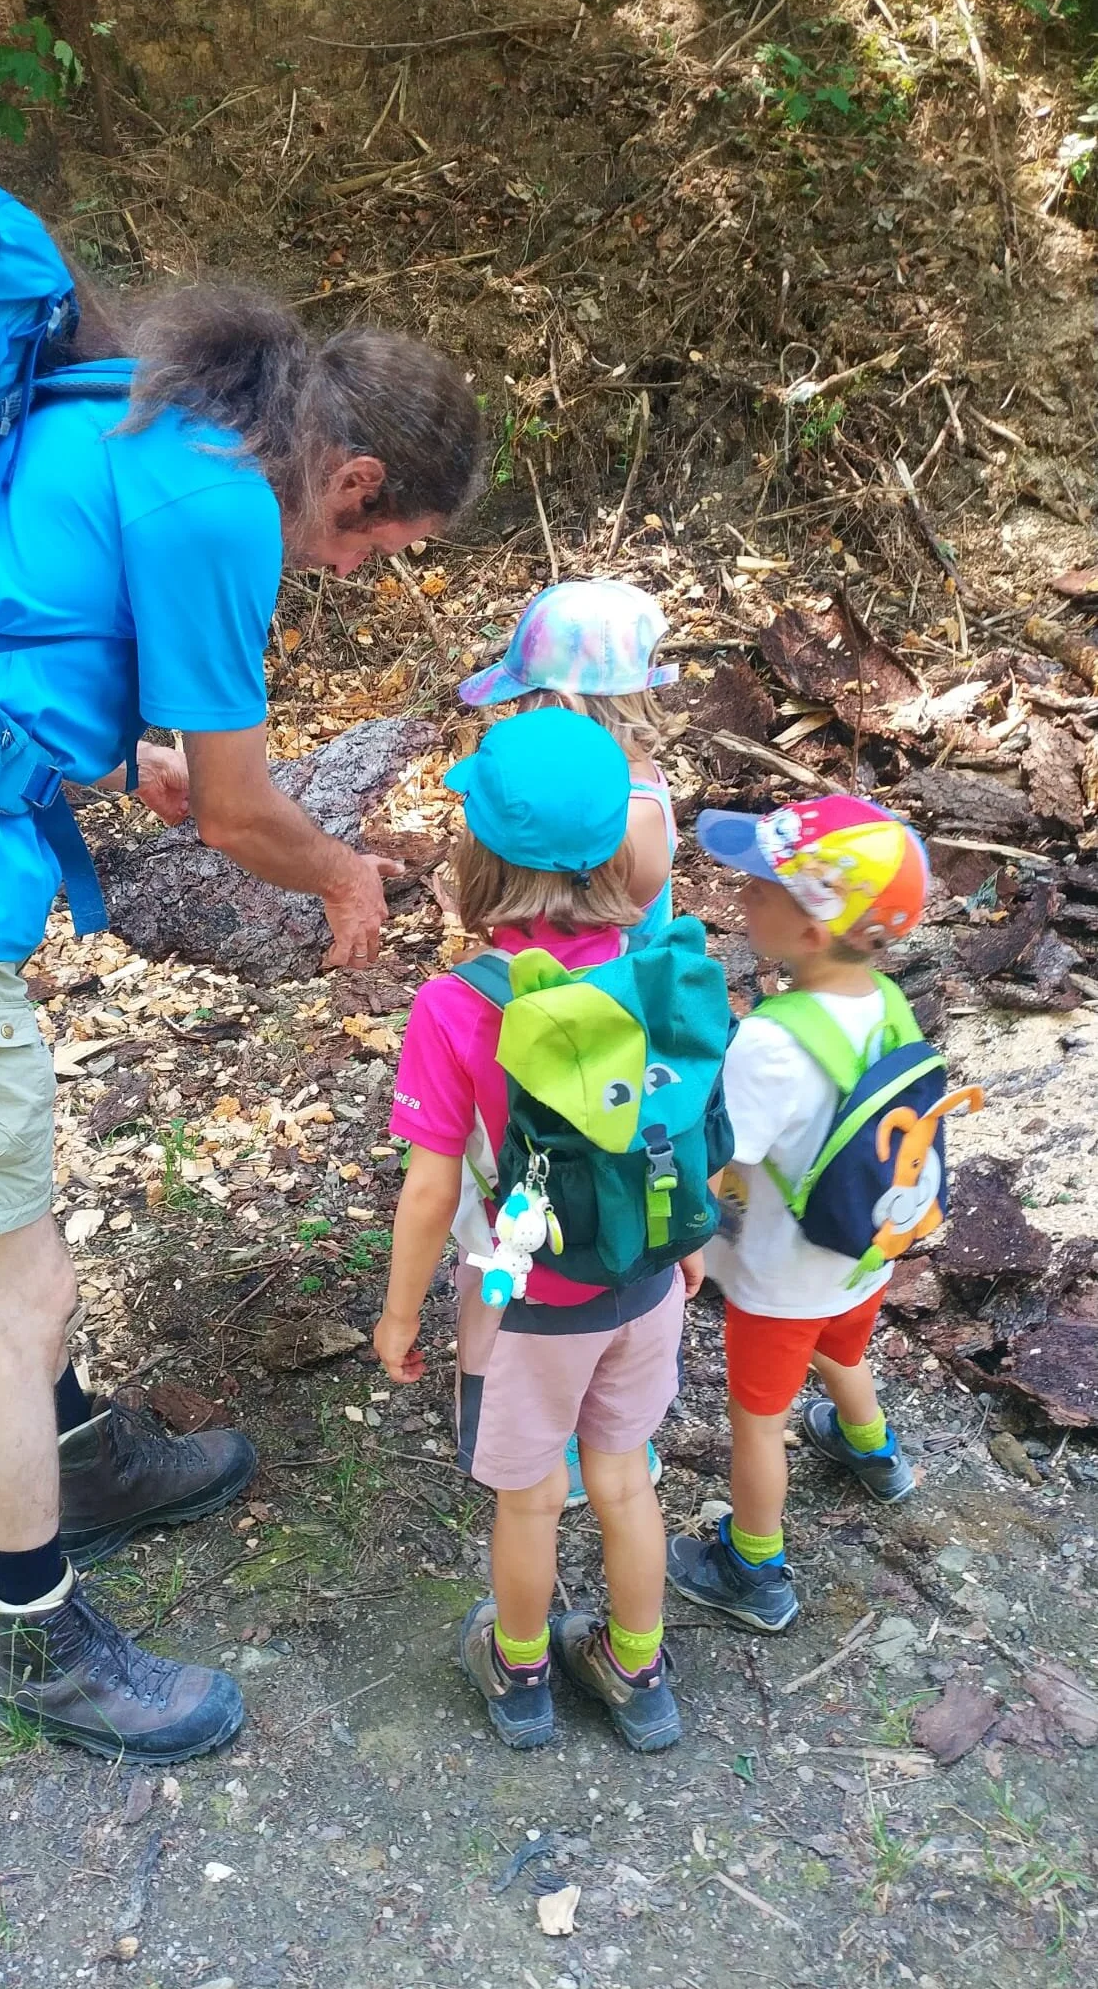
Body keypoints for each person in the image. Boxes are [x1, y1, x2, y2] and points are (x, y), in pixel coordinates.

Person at [0, 284, 482, 1763]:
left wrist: (127, 754)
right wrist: (343, 872)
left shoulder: (151, 421)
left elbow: (21, 612)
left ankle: (79, 1459)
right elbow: (241, 808)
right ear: (353, 480)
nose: (348, 569)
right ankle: (38, 1634)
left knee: (18, 1233)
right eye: (371, 545)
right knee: (9, 1292)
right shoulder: (228, 505)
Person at [374, 708, 703, 1755]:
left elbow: (430, 1192)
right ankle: (635, 1668)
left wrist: (395, 1314)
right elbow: (682, 1122)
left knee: (530, 1498)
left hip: (525, 1296)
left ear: (477, 859)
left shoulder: (458, 1004)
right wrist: (685, 1243)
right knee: (623, 1475)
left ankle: (519, 1669)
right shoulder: (652, 972)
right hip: (643, 1284)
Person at [667, 798, 929, 1634]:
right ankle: (874, 1450)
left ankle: (753, 1564)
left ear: (813, 933)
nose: (742, 891)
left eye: (763, 885)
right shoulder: (887, 998)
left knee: (758, 1420)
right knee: (842, 1348)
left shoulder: (773, 1042)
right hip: (865, 1251)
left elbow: (721, 1150)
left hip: (781, 1276)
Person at [458, 578, 678, 1508]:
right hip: (628, 1040)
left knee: (510, 1221)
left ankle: (503, 1410)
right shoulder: (636, 791)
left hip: (564, 1036)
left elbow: (563, 922)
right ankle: (608, 1433)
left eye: (532, 701)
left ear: (566, 702)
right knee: (606, 1220)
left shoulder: (610, 813)